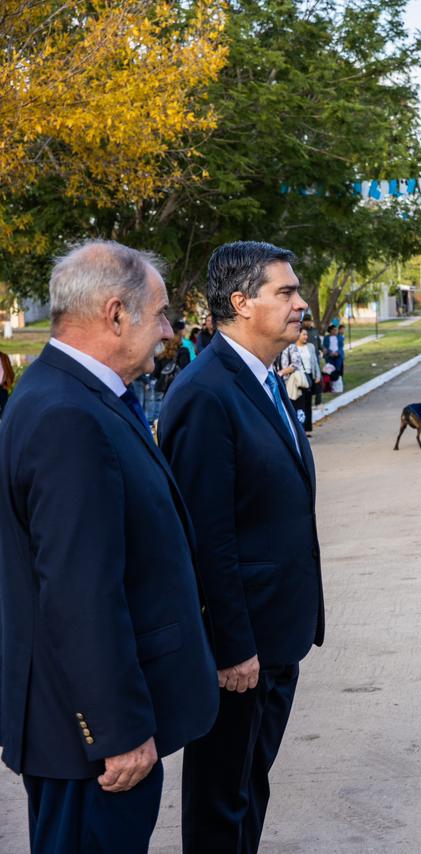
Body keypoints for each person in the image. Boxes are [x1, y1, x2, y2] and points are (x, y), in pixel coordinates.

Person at [0, 240, 217, 853]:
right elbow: (79, 592)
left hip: (82, 731)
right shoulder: (66, 414)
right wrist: (117, 731)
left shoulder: (76, 394)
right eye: (161, 314)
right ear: (116, 314)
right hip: (88, 742)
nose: (170, 332)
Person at [159, 241, 325, 853]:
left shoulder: (261, 380)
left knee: (249, 788)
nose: (300, 304)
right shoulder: (206, 392)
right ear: (239, 303)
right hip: (240, 648)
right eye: (285, 292)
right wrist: (232, 646)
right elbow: (206, 535)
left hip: (276, 635)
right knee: (220, 802)